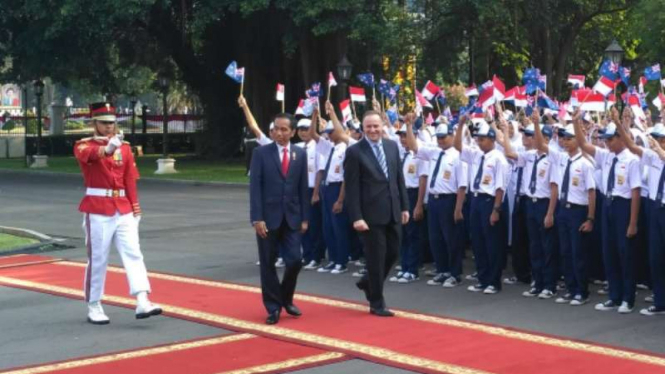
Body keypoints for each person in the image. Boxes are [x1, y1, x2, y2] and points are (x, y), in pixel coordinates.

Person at [74, 102, 161, 325]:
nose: (109, 127)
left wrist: (135, 208)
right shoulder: (83, 145)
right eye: (104, 123)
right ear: (94, 123)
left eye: (112, 123)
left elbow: (129, 179)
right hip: (98, 208)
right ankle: (94, 304)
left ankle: (142, 299)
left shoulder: (125, 147)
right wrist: (108, 149)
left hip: (122, 207)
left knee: (133, 253)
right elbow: (91, 156)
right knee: (98, 258)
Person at [345, 110, 410, 317]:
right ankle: (377, 302)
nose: (373, 130)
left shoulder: (392, 147)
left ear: (383, 126)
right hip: (369, 215)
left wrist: (405, 207)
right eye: (368, 127)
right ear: (363, 129)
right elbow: (352, 188)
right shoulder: (355, 152)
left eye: (376, 126)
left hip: (393, 210)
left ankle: (368, 282)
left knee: (393, 252)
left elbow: (399, 179)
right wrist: (356, 217)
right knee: (375, 257)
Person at [574, 114, 641, 314]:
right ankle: (614, 295)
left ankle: (628, 298)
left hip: (623, 206)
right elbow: (584, 146)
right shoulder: (607, 155)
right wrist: (576, 123)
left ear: (622, 137)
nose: (607, 143)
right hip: (608, 204)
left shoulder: (632, 160)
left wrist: (633, 222)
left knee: (625, 254)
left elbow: (635, 192)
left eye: (611, 139)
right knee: (609, 252)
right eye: (606, 139)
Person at [249, 113, 309, 325]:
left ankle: (286, 298)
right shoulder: (261, 153)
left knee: (295, 260)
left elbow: (303, 188)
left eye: (284, 130)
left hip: (292, 218)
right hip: (267, 218)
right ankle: (273, 307)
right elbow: (255, 188)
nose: (279, 133)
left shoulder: (300, 154)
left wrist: (305, 218)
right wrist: (257, 218)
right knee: (267, 263)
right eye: (276, 129)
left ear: (293, 132)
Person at [537, 116, 596, 306]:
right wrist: (537, 123)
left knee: (578, 252)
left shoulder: (585, 164)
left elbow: (591, 193)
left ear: (577, 140)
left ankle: (581, 291)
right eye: (563, 138)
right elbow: (540, 144)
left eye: (569, 138)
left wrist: (590, 218)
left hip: (578, 211)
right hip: (563, 210)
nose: (565, 141)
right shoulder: (561, 159)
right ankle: (571, 289)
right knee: (565, 251)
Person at [613, 109, 665, 316]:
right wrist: (619, 123)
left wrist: (660, 152)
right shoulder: (653, 157)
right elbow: (632, 146)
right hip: (654, 208)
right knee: (656, 257)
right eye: (656, 139)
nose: (658, 142)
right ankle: (661, 301)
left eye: (661, 139)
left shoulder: (658, 155)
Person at [501, 119, 558, 298]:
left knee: (547, 245)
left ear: (545, 138)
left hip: (544, 203)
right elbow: (509, 152)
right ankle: (537, 281)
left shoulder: (553, 157)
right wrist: (503, 132)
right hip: (530, 203)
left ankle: (549, 284)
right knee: (534, 245)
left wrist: (550, 212)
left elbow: (554, 187)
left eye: (533, 135)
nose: (530, 138)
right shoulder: (530, 155)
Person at [408, 119, 467, 288]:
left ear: (452, 135)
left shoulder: (458, 155)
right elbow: (414, 147)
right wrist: (408, 126)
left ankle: (455, 273)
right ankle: (442, 270)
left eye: (444, 137)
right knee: (435, 238)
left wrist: (458, 207)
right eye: (439, 137)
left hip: (449, 199)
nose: (441, 140)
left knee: (451, 238)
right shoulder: (434, 152)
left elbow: (462, 185)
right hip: (434, 200)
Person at [454, 117, 509, 294]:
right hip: (476, 199)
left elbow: (500, 186)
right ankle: (483, 278)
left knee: (492, 243)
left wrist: (496, 209)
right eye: (478, 139)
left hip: (489, 200)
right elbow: (457, 147)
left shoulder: (499, 158)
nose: (479, 142)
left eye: (483, 139)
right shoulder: (477, 154)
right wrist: (461, 125)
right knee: (478, 241)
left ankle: (494, 281)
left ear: (492, 139)